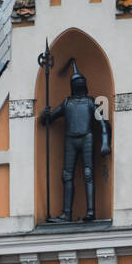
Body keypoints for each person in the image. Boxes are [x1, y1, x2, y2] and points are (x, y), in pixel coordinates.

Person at [39, 61, 111, 222]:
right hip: (71, 139)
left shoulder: (90, 102)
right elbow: (49, 119)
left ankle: (91, 211)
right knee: (66, 175)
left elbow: (103, 124)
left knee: (88, 173)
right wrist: (45, 114)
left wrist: (105, 141)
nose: (78, 85)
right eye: (76, 83)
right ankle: (67, 213)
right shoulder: (67, 103)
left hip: (87, 137)